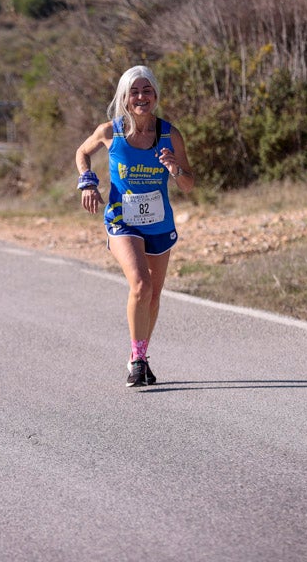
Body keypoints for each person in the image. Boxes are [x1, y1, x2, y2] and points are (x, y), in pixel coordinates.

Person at [75, 65, 195, 387]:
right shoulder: (109, 132)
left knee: (153, 295)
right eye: (134, 92)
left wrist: (174, 169)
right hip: (121, 220)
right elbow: (82, 152)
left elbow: (188, 185)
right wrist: (87, 182)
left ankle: (140, 356)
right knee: (140, 284)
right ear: (125, 98)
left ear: (155, 95)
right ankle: (137, 361)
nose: (141, 97)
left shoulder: (170, 134)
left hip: (159, 222)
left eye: (147, 91)